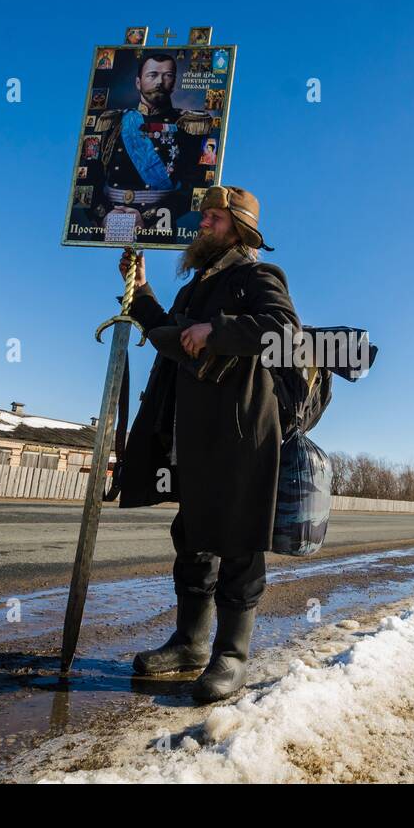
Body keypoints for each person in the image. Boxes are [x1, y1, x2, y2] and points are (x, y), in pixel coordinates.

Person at [117, 185, 296, 702]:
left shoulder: (257, 276)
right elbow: (169, 334)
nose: (202, 226)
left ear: (239, 228)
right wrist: (141, 289)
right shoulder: (195, 286)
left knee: (238, 539)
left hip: (242, 428)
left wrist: (215, 331)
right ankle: (190, 643)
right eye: (203, 218)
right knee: (193, 534)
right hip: (191, 430)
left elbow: (283, 330)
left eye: (213, 219)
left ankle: (231, 657)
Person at [81, 52, 212, 237]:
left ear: (174, 83)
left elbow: (196, 188)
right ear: (138, 82)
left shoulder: (188, 125)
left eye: (167, 75)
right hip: (109, 222)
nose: (160, 81)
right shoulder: (113, 121)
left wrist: (149, 218)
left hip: (157, 227)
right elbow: (87, 179)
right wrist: (103, 214)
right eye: (152, 75)